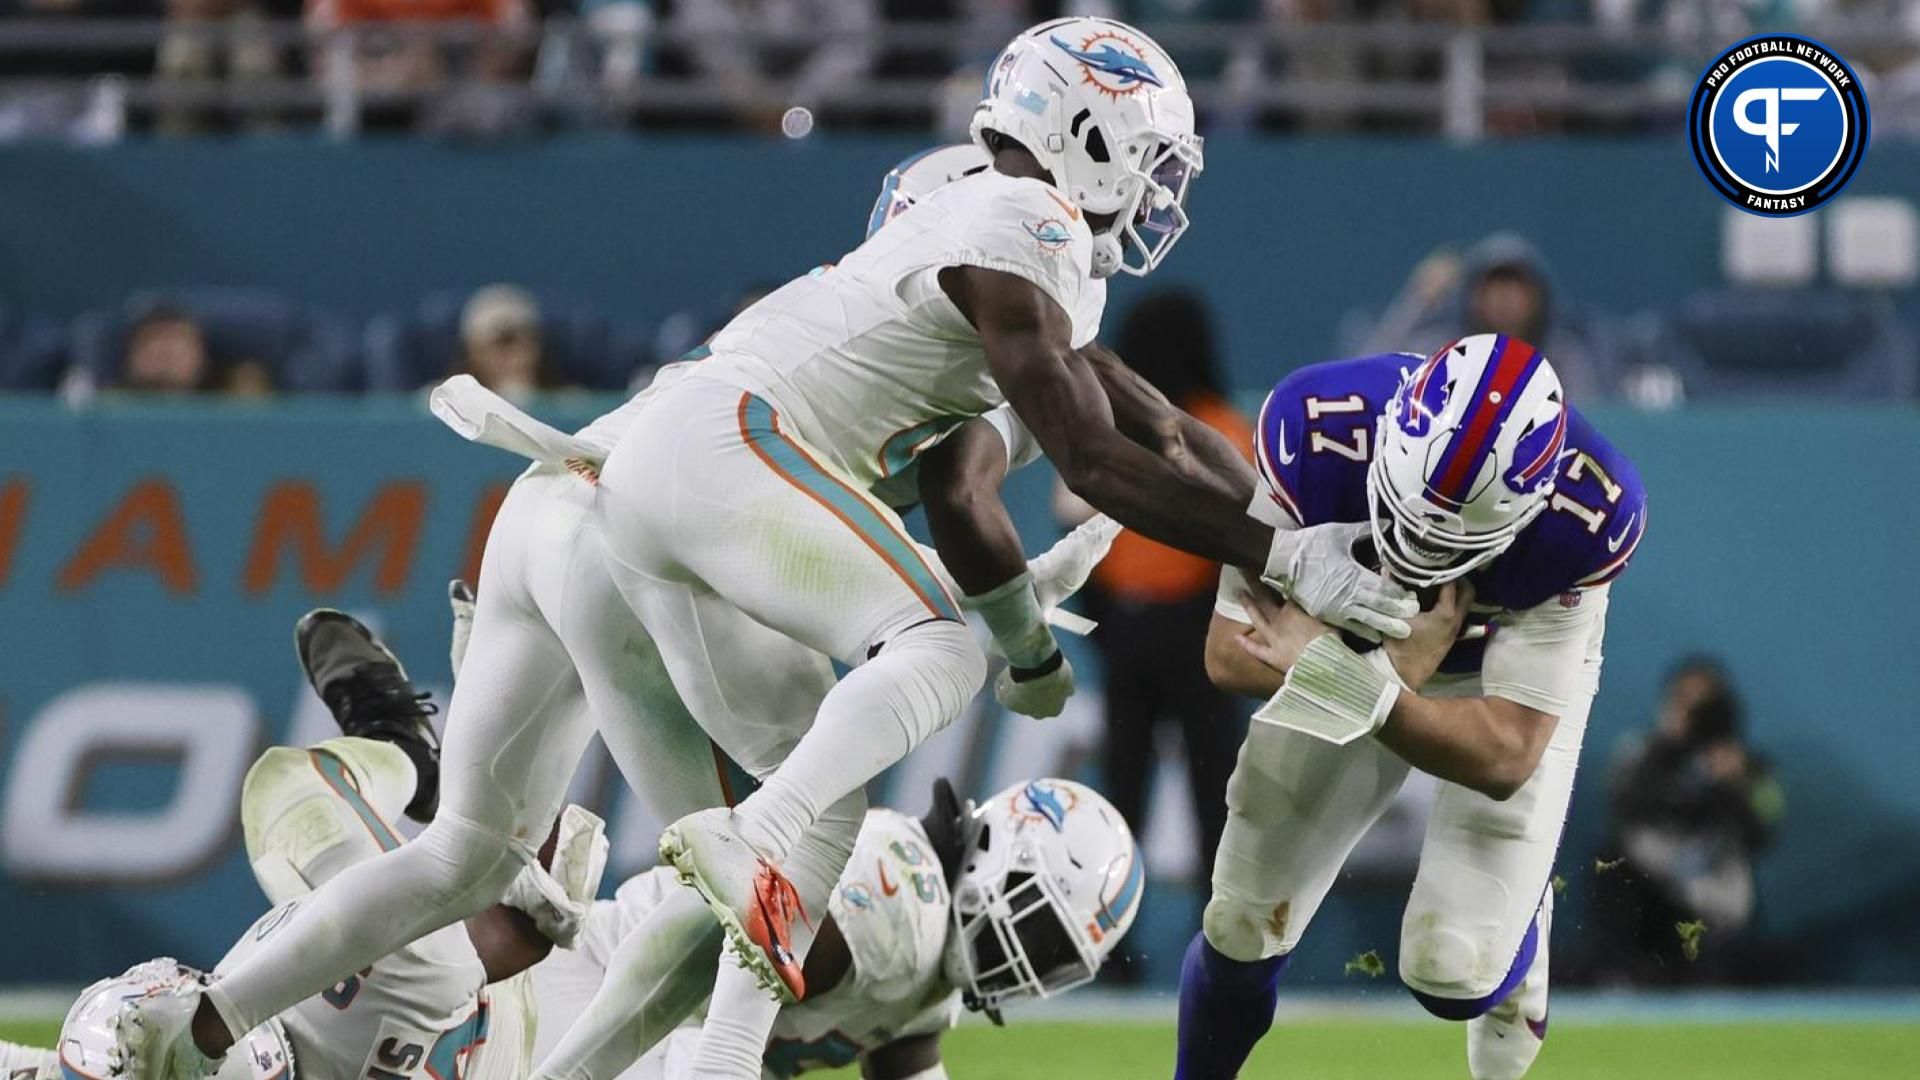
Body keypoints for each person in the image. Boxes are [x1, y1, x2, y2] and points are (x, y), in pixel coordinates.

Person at [115, 86, 1285, 1080]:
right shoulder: (1011, 261)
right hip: (664, 497)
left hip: (567, 496)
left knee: (463, 855)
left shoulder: (904, 304)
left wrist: (1267, 526)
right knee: (843, 770)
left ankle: (200, 1021)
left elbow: (1145, 431)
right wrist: (1042, 633)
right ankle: (716, 836)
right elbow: (1007, 497)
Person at [15, 609, 1143, 1080]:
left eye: (1057, 958)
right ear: (993, 860)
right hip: (567, 995)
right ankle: (404, 752)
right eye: (1039, 925)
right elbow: (753, 971)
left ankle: (417, 762)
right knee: (393, 918)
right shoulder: (901, 897)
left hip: (565, 979)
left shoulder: (923, 973)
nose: (1028, 962)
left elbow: (903, 1045)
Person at [1179, 334, 1648, 1080]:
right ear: (1392, 433)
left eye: (1449, 538)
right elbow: (1229, 650)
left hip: (1483, 674)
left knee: (1452, 970)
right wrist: (1376, 670)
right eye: (1403, 513)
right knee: (1240, 920)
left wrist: (1366, 686)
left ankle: (1523, 933)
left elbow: (1504, 754)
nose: (1413, 549)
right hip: (1355, 654)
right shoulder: (1320, 423)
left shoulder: (1588, 514)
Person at [1057, 288, 1254, 920]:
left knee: (1201, 792)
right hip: (1146, 632)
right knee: (1138, 793)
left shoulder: (1214, 428)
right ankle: (1117, 940)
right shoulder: (1209, 429)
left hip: (1188, 632)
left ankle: (1211, 933)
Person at [1595, 656, 1782, 985]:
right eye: (1683, 699)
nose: (1693, 711)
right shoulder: (1638, 752)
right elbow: (1623, 806)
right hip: (1651, 894)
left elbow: (1765, 831)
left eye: (1703, 703)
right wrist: (1669, 752)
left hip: (1712, 899)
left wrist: (1736, 784)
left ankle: (1727, 981)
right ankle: (1619, 978)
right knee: (1610, 863)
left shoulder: (1748, 765)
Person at [456, 285, 556, 398]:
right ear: (475, 351)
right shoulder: (441, 404)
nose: (521, 354)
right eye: (505, 342)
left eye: (531, 340)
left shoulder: (571, 404)